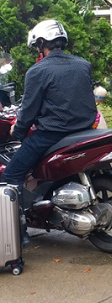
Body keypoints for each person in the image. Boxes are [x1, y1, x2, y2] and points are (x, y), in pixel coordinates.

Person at [1, 20, 97, 240]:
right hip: (83, 130)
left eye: (38, 45)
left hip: (52, 135)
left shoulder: (38, 71)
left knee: (10, 176)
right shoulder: (83, 64)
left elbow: (28, 111)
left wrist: (17, 131)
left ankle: (17, 235)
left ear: (42, 43)